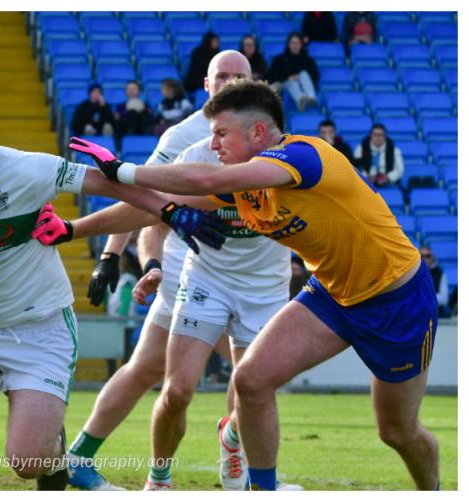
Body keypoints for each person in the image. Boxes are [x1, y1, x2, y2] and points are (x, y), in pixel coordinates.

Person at [67, 79, 440, 491]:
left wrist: (122, 169)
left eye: (221, 134)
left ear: (258, 133)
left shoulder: (305, 154)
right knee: (250, 379)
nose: (214, 145)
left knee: (397, 432)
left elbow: (205, 181)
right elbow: (147, 209)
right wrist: (71, 229)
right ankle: (261, 490)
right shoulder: (244, 190)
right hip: (333, 294)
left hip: (397, 300)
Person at [0, 88, 219, 491]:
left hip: (41, 329)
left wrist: (168, 210)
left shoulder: (29, 169)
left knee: (28, 460)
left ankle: (53, 449)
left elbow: (112, 187)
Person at [46, 51, 264, 492]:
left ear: (253, 81)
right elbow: (143, 197)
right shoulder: (185, 137)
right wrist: (117, 256)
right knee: (162, 372)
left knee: (247, 375)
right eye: (220, 76)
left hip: (252, 279)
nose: (227, 83)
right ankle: (96, 460)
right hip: (194, 272)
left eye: (237, 76)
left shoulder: (267, 136)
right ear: (205, 84)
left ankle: (233, 443)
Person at [267, 32, 320, 112]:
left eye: (298, 43)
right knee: (291, 82)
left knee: (304, 74)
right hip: (285, 83)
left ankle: (311, 97)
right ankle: (300, 98)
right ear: (288, 44)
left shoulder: (308, 60)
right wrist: (288, 77)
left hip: (304, 82)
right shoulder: (279, 59)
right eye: (292, 43)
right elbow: (272, 75)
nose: (295, 46)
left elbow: (315, 75)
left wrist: (299, 77)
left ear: (301, 45)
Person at [353, 123, 404, 187]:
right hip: (366, 182)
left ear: (385, 136)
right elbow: (357, 168)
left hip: (388, 182)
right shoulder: (360, 149)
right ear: (371, 135)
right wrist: (366, 177)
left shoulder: (394, 150)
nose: (378, 137)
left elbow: (399, 170)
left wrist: (388, 177)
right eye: (375, 135)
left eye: (380, 135)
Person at [184, 31, 220, 95]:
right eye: (213, 41)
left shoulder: (218, 53)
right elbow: (199, 68)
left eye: (216, 41)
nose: (216, 43)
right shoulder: (198, 52)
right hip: (197, 82)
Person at [420, 246, 451, 318]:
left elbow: (444, 299)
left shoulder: (440, 274)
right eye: (421, 256)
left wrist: (422, 299)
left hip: (437, 317)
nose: (424, 259)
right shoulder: (412, 274)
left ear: (432, 258)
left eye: (427, 256)